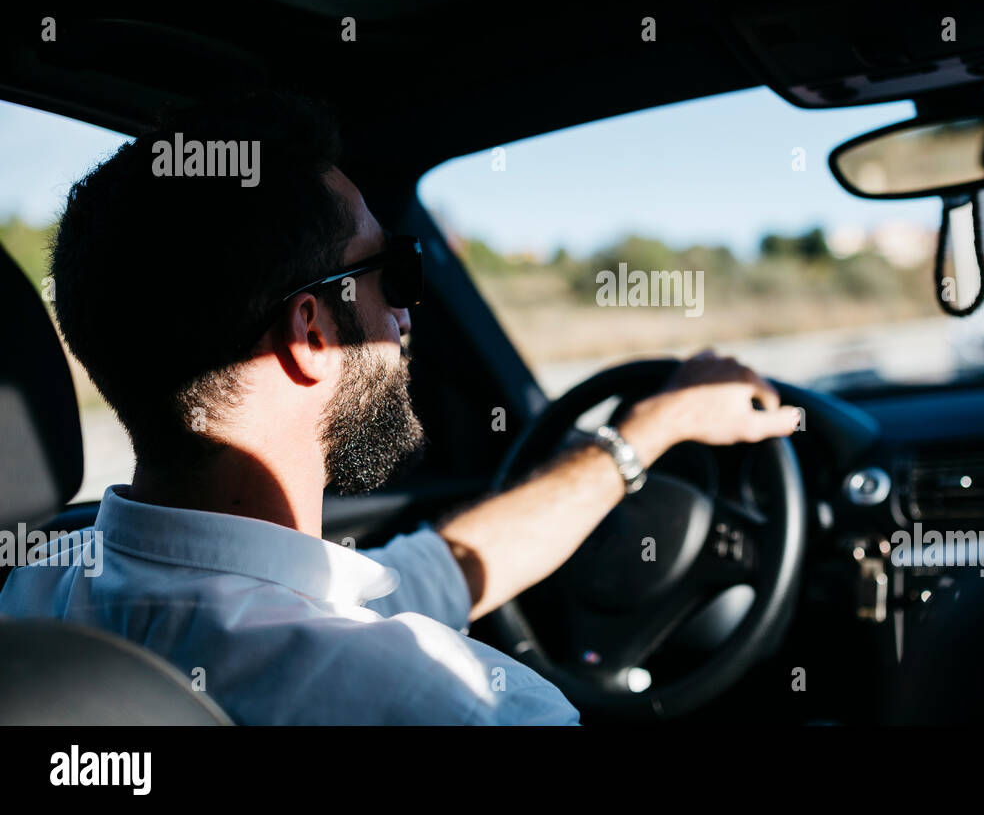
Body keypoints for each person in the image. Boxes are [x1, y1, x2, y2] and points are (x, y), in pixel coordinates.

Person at [0, 90, 800, 724]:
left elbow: (432, 572)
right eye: (393, 273)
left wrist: (649, 431)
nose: (409, 315)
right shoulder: (454, 703)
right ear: (311, 336)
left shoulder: (35, 599)